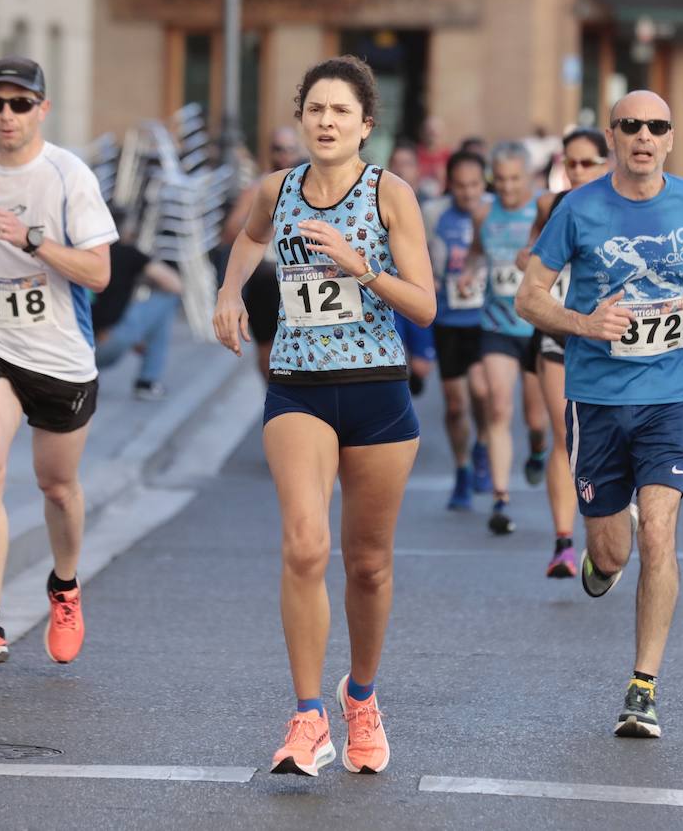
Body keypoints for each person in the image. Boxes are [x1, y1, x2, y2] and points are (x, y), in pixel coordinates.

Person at [212, 56, 435, 777]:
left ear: (367, 125)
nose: (327, 121)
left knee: (368, 564)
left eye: (341, 111)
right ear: (301, 119)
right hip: (300, 389)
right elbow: (248, 238)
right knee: (305, 547)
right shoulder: (275, 190)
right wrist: (229, 293)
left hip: (377, 390)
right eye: (315, 110)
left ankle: (360, 697)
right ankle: (307, 714)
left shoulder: (390, 195)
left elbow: (425, 304)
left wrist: (358, 264)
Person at [517, 90, 683, 739]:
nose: (644, 134)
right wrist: (584, 322)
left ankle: (643, 686)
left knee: (660, 533)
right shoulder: (577, 209)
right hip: (598, 398)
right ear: (613, 135)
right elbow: (529, 295)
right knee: (614, 548)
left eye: (657, 126)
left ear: (670, 138)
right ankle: (600, 563)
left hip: (670, 391)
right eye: (631, 124)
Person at [0, 56, 117, 667]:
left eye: (20, 104)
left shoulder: (68, 177)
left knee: (56, 486)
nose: (6, 116)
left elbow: (100, 272)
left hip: (61, 354)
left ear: (42, 109)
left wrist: (31, 239)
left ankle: (64, 586)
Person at [515, 127, 612, 578]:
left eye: (586, 163)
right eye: (569, 163)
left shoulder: (623, 208)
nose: (576, 171)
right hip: (561, 332)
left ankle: (609, 519)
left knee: (608, 439)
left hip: (614, 337)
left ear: (606, 163)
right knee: (564, 434)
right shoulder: (550, 205)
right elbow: (532, 260)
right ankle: (563, 543)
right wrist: (531, 260)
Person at [463, 141, 548, 535]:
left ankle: (536, 447)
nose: (509, 187)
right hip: (497, 323)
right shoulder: (484, 213)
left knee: (535, 417)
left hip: (537, 327)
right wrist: (470, 270)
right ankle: (500, 498)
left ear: (529, 178)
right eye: (503, 179)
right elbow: (476, 253)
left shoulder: (544, 212)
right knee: (499, 406)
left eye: (517, 179)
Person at [424, 149, 495, 509]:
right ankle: (463, 470)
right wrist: (428, 280)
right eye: (461, 185)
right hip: (449, 319)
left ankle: (483, 443)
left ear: (484, 183)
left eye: (474, 185)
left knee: (482, 392)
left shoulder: (497, 210)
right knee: (455, 405)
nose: (468, 193)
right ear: (450, 184)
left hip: (487, 318)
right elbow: (414, 253)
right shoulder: (434, 213)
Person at [222, 126, 308, 376]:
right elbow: (229, 232)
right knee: (267, 350)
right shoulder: (260, 187)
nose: (284, 155)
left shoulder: (312, 185)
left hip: (301, 273)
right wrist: (261, 218)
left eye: (290, 149)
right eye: (278, 149)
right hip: (267, 276)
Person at [92, 232, 185, 399]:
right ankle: (147, 381)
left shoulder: (72, 251)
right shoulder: (125, 252)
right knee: (167, 298)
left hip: (70, 352)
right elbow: (175, 284)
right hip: (106, 343)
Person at [387, 142, 438, 395]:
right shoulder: (378, 201)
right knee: (395, 362)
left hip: (419, 289)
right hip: (390, 290)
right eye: (396, 163)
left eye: (407, 164)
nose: (401, 169)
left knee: (420, 367)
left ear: (417, 170)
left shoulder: (429, 206)